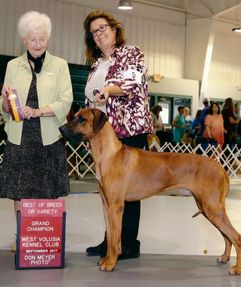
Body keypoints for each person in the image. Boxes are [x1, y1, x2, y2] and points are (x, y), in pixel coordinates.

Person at [0, 11, 73, 252]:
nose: (38, 44)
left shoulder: (60, 65)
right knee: (19, 191)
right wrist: (6, 105)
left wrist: (40, 111)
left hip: (49, 135)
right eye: (33, 40)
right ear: (24, 40)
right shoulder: (12, 66)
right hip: (19, 136)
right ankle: (22, 237)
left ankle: (48, 238)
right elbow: (3, 101)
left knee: (51, 190)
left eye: (42, 39)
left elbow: (66, 100)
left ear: (47, 39)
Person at [83, 10, 153, 259]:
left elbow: (131, 84)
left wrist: (108, 90)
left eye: (102, 28)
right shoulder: (95, 65)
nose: (98, 34)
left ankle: (129, 244)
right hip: (104, 138)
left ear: (114, 29)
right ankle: (110, 242)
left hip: (128, 130)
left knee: (130, 192)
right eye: (93, 32)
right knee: (109, 193)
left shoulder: (131, 53)